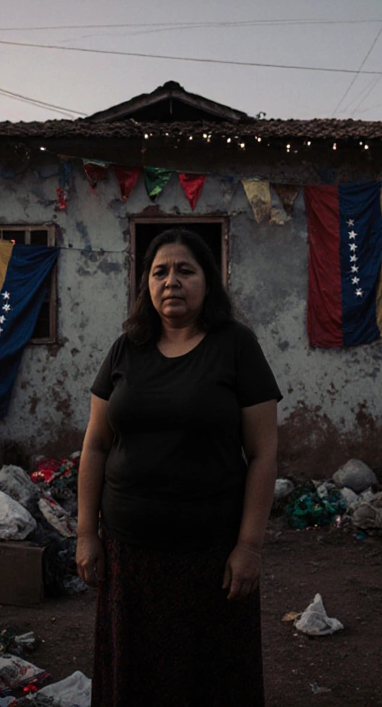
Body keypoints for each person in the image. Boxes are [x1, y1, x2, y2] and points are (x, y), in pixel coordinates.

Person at [76, 228, 280, 707]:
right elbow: (96, 445)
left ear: (208, 281)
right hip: (129, 556)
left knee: (208, 681)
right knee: (136, 679)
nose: (172, 280)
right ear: (146, 284)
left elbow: (264, 454)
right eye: (159, 271)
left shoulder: (236, 346)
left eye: (185, 270)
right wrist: (87, 532)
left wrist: (249, 547)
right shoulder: (126, 349)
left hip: (209, 559)